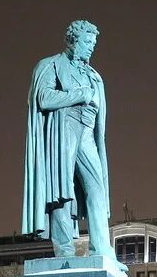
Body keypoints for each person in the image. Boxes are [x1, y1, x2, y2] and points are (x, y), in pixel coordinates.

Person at [23, 20, 116, 260]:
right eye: (87, 42)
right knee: (61, 190)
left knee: (97, 189)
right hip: (63, 129)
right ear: (73, 40)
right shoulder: (51, 65)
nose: (90, 48)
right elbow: (43, 98)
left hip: (87, 132)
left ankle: (102, 249)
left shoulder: (95, 76)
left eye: (93, 44)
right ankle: (64, 250)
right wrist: (79, 95)